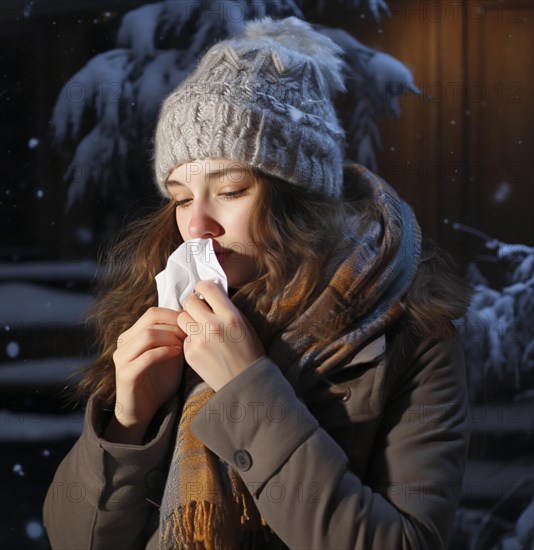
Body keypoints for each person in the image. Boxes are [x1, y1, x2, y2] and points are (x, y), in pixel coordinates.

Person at [43, 16, 470, 550]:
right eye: (180, 198)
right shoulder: (164, 312)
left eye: (231, 190)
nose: (196, 225)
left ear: (299, 200)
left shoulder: (410, 334)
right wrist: (127, 425)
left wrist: (247, 390)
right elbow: (73, 540)